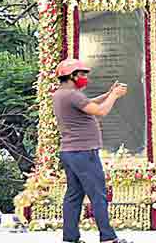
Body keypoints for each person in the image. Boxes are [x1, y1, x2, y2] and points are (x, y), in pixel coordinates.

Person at [53, 58, 130, 243]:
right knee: (98, 194)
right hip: (84, 152)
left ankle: (70, 238)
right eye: (81, 74)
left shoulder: (61, 94)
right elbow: (101, 111)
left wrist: (108, 93)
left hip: (70, 152)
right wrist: (114, 96)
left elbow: (89, 104)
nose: (84, 78)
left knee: (73, 195)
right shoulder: (73, 95)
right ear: (70, 76)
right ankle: (108, 237)